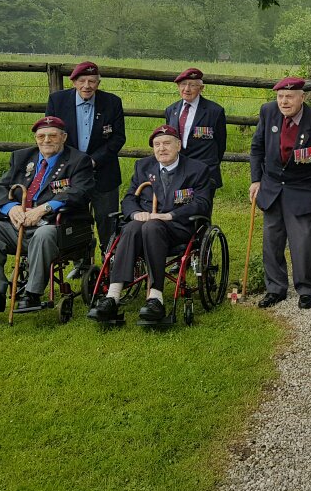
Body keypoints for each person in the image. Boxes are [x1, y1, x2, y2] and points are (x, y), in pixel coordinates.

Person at [0, 116, 94, 314]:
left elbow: (80, 191)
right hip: (19, 224)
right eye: (41, 136)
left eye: (52, 136)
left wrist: (45, 208)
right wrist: (11, 208)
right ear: (35, 138)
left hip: (54, 224)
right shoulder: (22, 157)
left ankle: (31, 293)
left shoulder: (78, 161)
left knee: (43, 235)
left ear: (64, 137)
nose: (46, 140)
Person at [89, 124, 212, 323]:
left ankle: (156, 297)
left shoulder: (197, 170)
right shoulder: (143, 166)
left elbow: (202, 203)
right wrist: (136, 213)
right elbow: (129, 198)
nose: (162, 148)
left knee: (152, 226)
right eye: (157, 145)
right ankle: (112, 296)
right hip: (145, 224)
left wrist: (170, 215)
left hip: (178, 227)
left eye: (166, 143)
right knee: (130, 227)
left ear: (178, 145)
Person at [249, 77, 311, 310]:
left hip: (304, 192)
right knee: (272, 243)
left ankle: (306, 290)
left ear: (302, 97)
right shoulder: (268, 112)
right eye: (280, 97)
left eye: (289, 97)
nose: (284, 102)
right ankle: (275, 289)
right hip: (272, 189)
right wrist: (256, 179)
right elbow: (257, 148)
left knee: (304, 244)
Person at [45, 60, 126, 251]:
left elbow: (118, 138)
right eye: (82, 81)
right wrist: (75, 162)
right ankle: (80, 261)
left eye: (92, 81)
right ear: (73, 82)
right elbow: (51, 135)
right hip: (69, 172)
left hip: (104, 172)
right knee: (73, 218)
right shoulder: (58, 101)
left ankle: (110, 260)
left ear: (98, 83)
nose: (86, 86)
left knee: (107, 220)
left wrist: (93, 160)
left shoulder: (112, 102)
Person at [165, 67, 227, 199]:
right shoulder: (171, 110)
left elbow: (221, 144)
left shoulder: (214, 111)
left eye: (192, 85)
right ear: (178, 86)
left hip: (205, 172)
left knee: (201, 212)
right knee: (180, 209)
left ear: (201, 88)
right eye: (183, 84)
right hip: (178, 171)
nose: (186, 89)